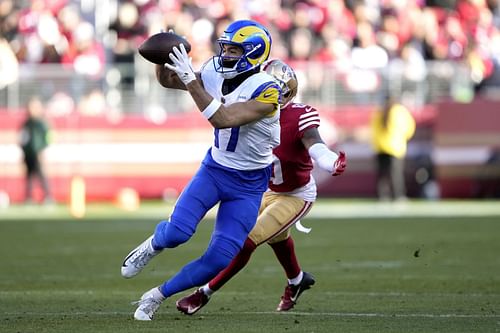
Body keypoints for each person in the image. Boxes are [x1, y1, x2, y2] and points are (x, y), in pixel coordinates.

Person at [121, 20, 282, 321]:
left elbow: (222, 117)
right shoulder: (212, 72)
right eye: (226, 48)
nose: (227, 55)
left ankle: (156, 296)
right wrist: (166, 55)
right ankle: (153, 244)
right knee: (177, 233)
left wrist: (190, 80)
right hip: (215, 170)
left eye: (235, 50)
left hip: (249, 185)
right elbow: (169, 80)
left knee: (220, 258)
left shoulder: (268, 90)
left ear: (254, 54)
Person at [175, 59, 347, 315]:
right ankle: (297, 281)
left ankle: (204, 293)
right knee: (275, 237)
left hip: (295, 194)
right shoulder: (245, 107)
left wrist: (330, 160)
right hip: (260, 188)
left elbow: (315, 144)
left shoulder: (299, 115)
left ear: (283, 90)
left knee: (246, 240)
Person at [370, 94, 415, 201]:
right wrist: (405, 138)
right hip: (396, 147)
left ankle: (382, 196)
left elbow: (374, 130)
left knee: (382, 175)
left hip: (380, 147)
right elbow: (409, 127)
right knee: (396, 174)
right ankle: (398, 195)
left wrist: (377, 144)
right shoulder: (400, 111)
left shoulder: (379, 112)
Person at [19, 96, 53, 204]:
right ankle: (29, 198)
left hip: (39, 153)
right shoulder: (26, 124)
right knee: (29, 176)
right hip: (29, 154)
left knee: (41, 175)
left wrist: (43, 150)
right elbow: (23, 139)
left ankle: (48, 197)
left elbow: (49, 138)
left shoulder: (42, 123)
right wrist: (23, 152)